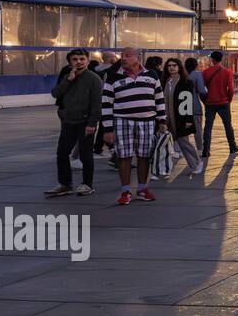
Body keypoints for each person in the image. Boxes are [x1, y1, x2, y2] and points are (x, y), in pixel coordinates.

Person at [100, 47, 167, 205]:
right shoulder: (113, 77)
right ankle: (126, 191)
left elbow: (159, 98)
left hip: (148, 121)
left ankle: (142, 189)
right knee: (124, 156)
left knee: (144, 156)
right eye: (122, 56)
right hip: (123, 121)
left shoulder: (151, 75)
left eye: (128, 56)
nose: (123, 58)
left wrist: (162, 121)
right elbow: (106, 104)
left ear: (138, 58)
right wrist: (108, 129)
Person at [47, 48, 104, 198]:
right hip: (68, 121)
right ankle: (65, 184)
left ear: (87, 60)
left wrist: (92, 123)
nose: (78, 62)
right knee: (62, 153)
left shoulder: (94, 79)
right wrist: (68, 80)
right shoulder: (66, 76)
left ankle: (87, 184)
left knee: (86, 155)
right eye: (75, 59)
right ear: (70, 61)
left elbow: (97, 104)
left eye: (82, 59)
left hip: (85, 122)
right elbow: (55, 93)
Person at [162, 57, 203, 177]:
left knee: (183, 142)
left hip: (180, 117)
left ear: (179, 67)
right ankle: (162, 168)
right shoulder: (165, 80)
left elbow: (187, 102)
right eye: (169, 65)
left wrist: (188, 120)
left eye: (174, 65)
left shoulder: (185, 81)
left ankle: (196, 163)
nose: (171, 67)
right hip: (166, 117)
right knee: (164, 142)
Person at [200, 50, 238, 158]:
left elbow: (202, 89)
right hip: (223, 102)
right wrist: (229, 99)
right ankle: (232, 147)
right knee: (228, 125)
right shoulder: (227, 72)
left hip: (210, 103)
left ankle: (206, 150)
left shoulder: (205, 72)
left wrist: (205, 100)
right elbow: (231, 89)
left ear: (212, 60)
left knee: (208, 126)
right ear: (221, 59)